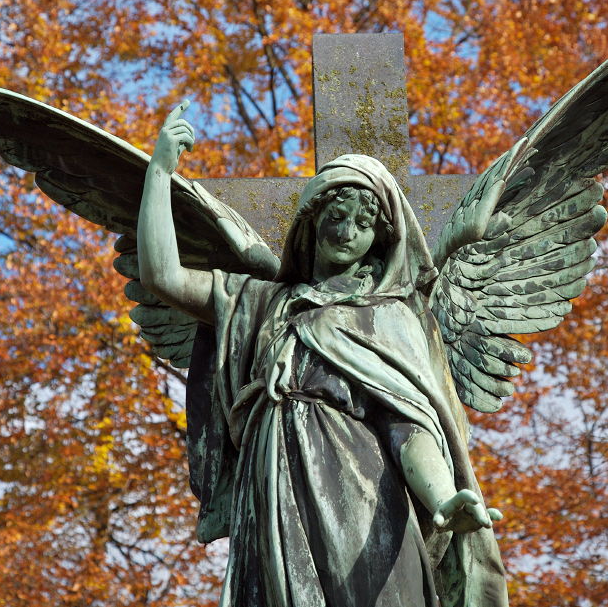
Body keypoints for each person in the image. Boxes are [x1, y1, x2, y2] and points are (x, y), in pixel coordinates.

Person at [138, 103, 509, 607]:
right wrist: (159, 173)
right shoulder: (260, 301)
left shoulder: (390, 316)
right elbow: (162, 277)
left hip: (361, 486)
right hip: (271, 484)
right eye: (336, 217)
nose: (347, 232)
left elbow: (410, 424)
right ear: (312, 221)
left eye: (363, 222)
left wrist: (443, 497)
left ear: (381, 237)